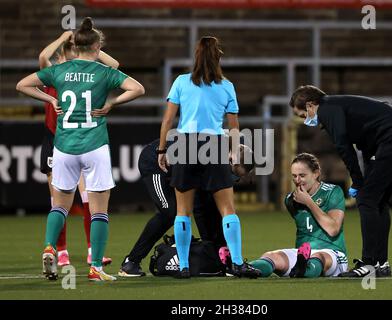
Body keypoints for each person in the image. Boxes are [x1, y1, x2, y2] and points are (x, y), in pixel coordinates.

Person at [16, 17, 145, 281]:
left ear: (74, 45)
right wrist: (111, 105)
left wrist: (51, 98)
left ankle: (51, 246)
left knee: (59, 205)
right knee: (99, 210)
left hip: (63, 146)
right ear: (97, 46)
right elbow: (138, 88)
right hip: (94, 144)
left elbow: (22, 85)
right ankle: (95, 267)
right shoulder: (103, 72)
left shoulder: (59, 70)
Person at [289, 85, 392, 278]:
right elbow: (366, 142)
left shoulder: (327, 109)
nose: (305, 120)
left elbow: (343, 146)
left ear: (310, 105)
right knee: (377, 201)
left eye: (302, 115)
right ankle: (380, 263)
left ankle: (369, 263)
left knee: (367, 199)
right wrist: (364, 178)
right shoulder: (338, 106)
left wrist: (358, 182)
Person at [157, 36, 261, 278]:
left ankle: (183, 266)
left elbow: (167, 121)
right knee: (227, 209)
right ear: (218, 57)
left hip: (184, 144)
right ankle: (236, 263)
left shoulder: (181, 82)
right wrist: (234, 153)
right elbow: (234, 127)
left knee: (183, 211)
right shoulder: (226, 86)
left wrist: (162, 150)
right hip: (213, 144)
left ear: (196, 56)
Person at [119, 139, 254, 277]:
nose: (232, 179)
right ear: (231, 159)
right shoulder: (211, 152)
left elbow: (202, 207)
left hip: (180, 168)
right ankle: (131, 261)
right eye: (234, 174)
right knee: (169, 213)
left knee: (209, 204)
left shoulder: (218, 157)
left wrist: (215, 250)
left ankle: (222, 259)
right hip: (156, 163)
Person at [38, 31, 117, 267]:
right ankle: (60, 250)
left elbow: (113, 64)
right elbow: (44, 56)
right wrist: (63, 39)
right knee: (58, 200)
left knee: (85, 197)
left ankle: (93, 250)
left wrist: (89, 47)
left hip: (77, 140)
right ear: (65, 51)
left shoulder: (82, 71)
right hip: (56, 139)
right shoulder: (55, 72)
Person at [249, 153, 348, 278]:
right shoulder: (290, 200)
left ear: (316, 173)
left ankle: (304, 269)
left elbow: (333, 229)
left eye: (302, 175)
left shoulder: (333, 192)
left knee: (319, 257)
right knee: (271, 256)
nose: (297, 180)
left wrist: (308, 202)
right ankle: (243, 268)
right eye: (294, 176)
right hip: (302, 253)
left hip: (332, 252)